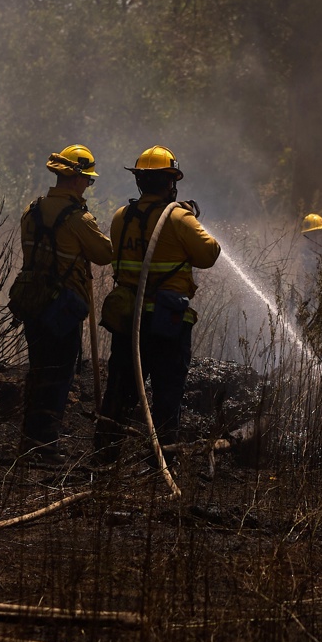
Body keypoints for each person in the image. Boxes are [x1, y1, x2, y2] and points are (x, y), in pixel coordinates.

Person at [95, 146, 219, 460]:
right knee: (167, 395)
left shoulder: (121, 217)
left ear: (139, 181)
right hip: (168, 324)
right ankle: (162, 462)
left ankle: (104, 458)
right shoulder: (178, 218)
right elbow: (209, 254)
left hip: (129, 320)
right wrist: (190, 218)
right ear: (170, 182)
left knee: (119, 391)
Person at [8, 145, 114, 459]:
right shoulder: (78, 218)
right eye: (88, 180)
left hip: (33, 301)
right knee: (58, 375)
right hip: (62, 308)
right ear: (76, 178)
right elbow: (104, 254)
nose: (88, 186)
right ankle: (44, 445)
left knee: (38, 369)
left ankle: (30, 439)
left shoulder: (32, 210)